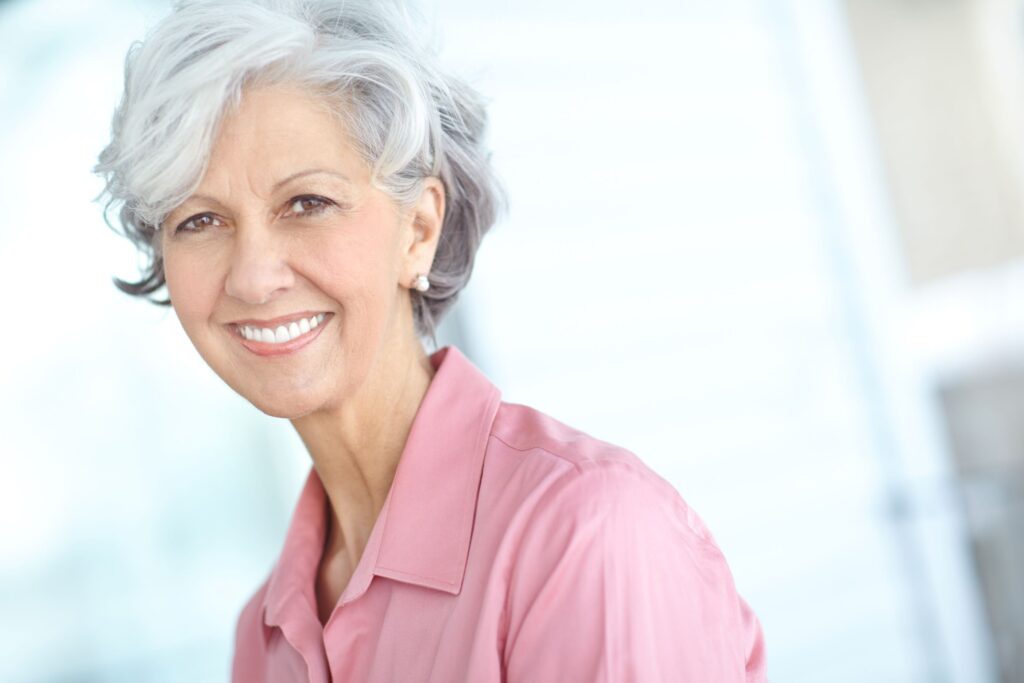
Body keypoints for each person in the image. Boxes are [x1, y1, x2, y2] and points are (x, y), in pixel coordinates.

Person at [93, 0, 767, 680]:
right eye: (201, 220)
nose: (254, 276)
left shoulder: (585, 535)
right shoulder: (262, 639)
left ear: (418, 229)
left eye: (307, 203)